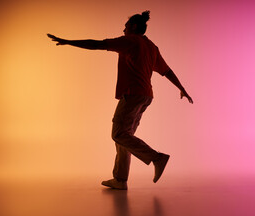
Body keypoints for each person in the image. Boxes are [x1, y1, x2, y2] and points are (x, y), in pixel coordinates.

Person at [47, 10, 193, 190]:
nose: (123, 30)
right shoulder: (151, 47)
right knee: (125, 137)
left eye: (125, 27)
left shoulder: (130, 41)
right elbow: (166, 71)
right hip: (146, 96)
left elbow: (97, 45)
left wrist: (68, 42)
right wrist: (181, 88)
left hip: (132, 94)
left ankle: (157, 158)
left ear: (132, 27)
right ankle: (120, 180)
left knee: (118, 134)